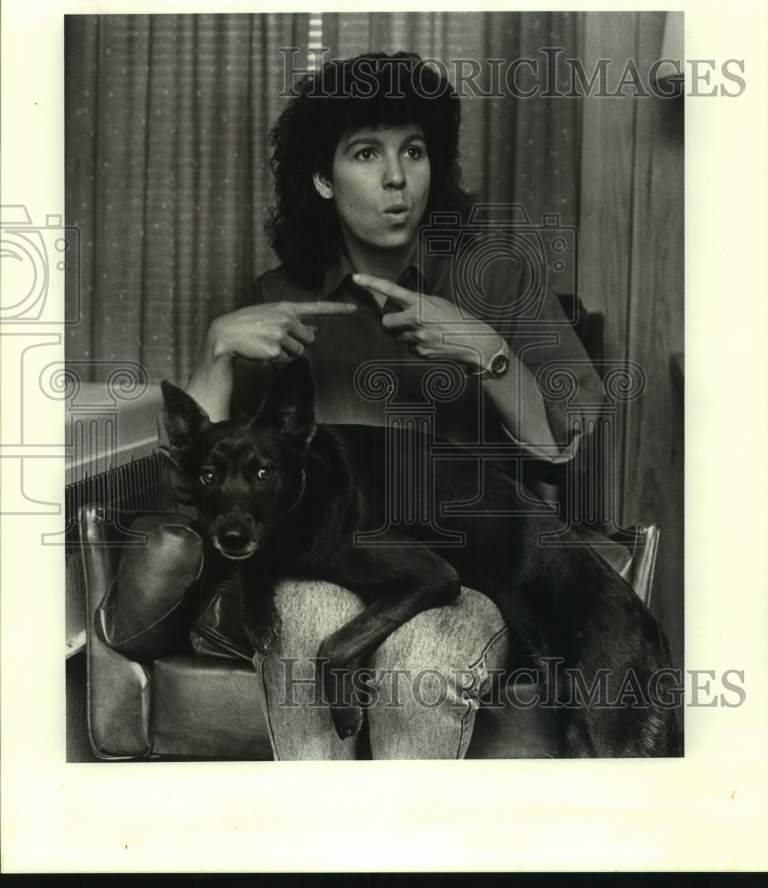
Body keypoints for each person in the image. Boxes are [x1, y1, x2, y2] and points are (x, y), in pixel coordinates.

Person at [183, 52, 608, 760]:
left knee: (420, 661)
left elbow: (565, 444)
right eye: (365, 154)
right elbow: (210, 468)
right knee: (306, 617)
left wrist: (488, 351)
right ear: (324, 178)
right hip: (325, 566)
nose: (395, 179)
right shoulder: (283, 295)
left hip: (467, 571)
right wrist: (215, 350)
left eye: (413, 151)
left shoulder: (494, 276)